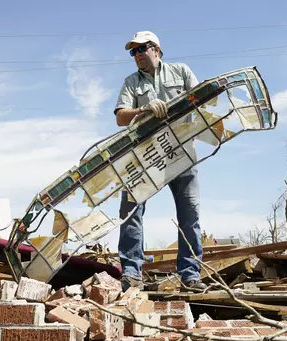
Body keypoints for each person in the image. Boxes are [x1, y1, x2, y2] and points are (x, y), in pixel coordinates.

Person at [114, 31, 207, 293]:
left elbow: (203, 99)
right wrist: (143, 110)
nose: (137, 55)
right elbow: (121, 117)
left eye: (141, 49)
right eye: (133, 52)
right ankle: (131, 274)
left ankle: (190, 275)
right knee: (130, 211)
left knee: (190, 213)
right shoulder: (131, 82)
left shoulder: (181, 72)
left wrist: (178, 107)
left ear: (156, 48)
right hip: (146, 157)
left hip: (181, 153)